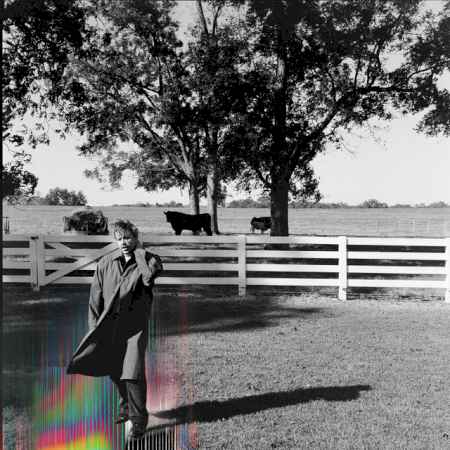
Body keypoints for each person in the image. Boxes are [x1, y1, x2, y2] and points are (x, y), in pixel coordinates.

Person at [67, 219, 163, 439]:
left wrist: (139, 253)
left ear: (136, 238)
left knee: (133, 372)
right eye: (119, 239)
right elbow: (95, 298)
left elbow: (148, 279)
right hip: (109, 326)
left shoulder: (150, 260)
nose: (123, 243)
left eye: (127, 238)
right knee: (115, 368)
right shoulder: (105, 263)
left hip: (135, 326)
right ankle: (125, 409)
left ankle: (138, 422)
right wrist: (94, 329)